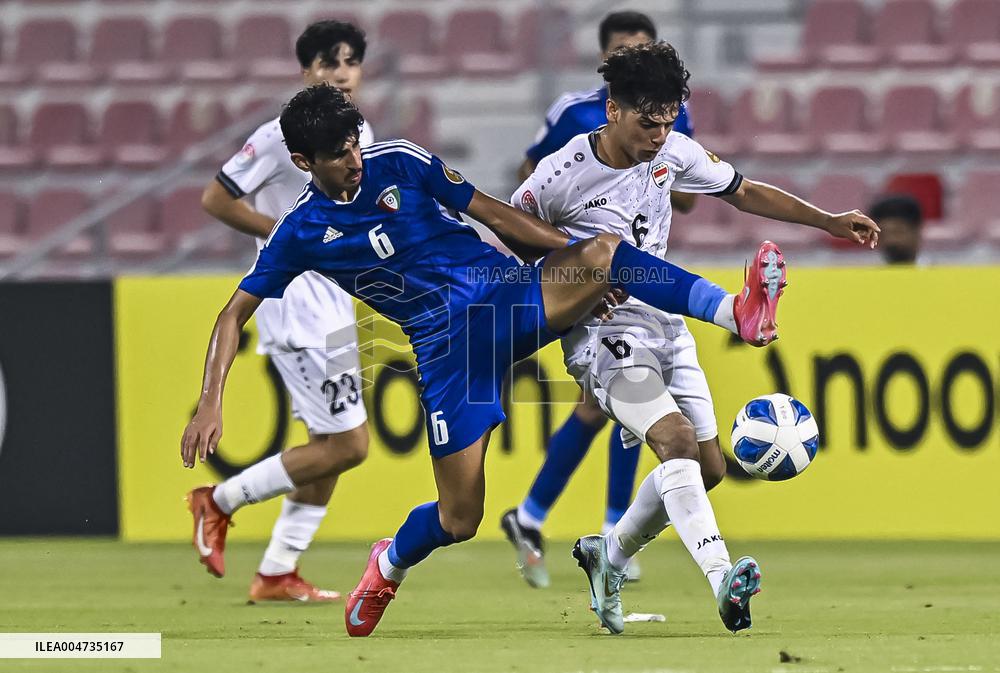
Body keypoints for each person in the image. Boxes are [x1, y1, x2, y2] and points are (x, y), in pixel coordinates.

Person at [179, 83, 873, 638]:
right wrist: (212, 399)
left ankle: (734, 311)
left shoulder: (400, 161)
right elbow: (233, 313)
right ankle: (388, 563)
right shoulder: (300, 231)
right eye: (337, 154)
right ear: (304, 162)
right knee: (460, 519)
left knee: (604, 252)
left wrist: (571, 264)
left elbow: (493, 213)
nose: (354, 159)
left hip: (503, 296)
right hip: (448, 353)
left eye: (354, 143)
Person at [509, 42, 877, 635]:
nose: (659, 136)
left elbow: (743, 190)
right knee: (675, 440)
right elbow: (512, 233)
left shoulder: (673, 150)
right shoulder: (561, 172)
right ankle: (723, 578)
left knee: (707, 469)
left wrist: (827, 221)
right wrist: (572, 284)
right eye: (647, 123)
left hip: (667, 321)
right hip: (602, 334)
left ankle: (610, 556)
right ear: (612, 110)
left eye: (668, 122)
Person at [501, 11, 700, 587]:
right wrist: (567, 257)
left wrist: (653, 169)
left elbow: (687, 194)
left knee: (606, 405)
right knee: (632, 398)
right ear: (605, 59)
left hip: (640, 270)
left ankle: (533, 515)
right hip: (590, 281)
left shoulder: (668, 115)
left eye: (643, 46)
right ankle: (611, 527)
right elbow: (532, 180)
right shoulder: (572, 113)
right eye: (622, 48)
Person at [188, 20, 373, 604]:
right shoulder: (277, 137)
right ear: (305, 71)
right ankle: (218, 501)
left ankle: (276, 572)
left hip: (333, 299)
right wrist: (283, 232)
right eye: (328, 62)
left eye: (350, 61)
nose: (341, 72)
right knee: (349, 445)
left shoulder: (359, 133)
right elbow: (216, 197)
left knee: (328, 446)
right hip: (296, 303)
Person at [869, 194, 923, 265]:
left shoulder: (933, 268)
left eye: (897, 232)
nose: (890, 240)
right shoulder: (867, 270)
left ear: (916, 231)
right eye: (882, 235)